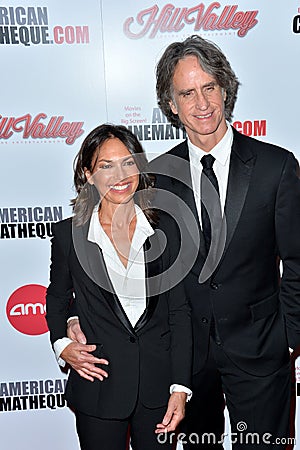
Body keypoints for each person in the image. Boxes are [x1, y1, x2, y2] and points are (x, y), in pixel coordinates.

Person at [68, 36, 300, 449]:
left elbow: (298, 260)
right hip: (184, 365)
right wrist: (70, 322)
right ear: (171, 105)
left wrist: (290, 336)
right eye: (187, 93)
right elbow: (115, 260)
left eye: (210, 87)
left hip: (262, 352)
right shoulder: (155, 178)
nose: (202, 103)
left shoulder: (276, 166)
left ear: (226, 90)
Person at [46, 124, 192, 450]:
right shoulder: (70, 236)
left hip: (158, 390)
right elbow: (57, 297)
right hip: (98, 386)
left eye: (128, 162)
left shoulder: (166, 229)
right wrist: (61, 344)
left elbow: (180, 314)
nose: (120, 174)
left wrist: (180, 388)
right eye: (105, 166)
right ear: (88, 174)